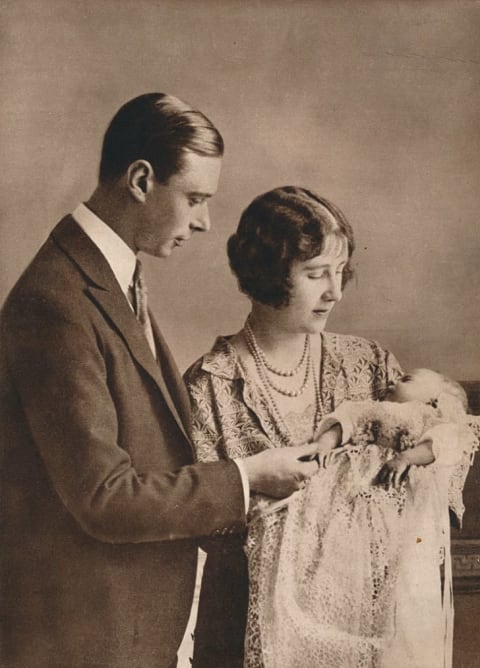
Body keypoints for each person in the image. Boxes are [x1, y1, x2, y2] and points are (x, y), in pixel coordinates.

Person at [0, 95, 319, 668]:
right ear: (142, 179)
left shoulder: (111, 279)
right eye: (195, 198)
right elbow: (104, 498)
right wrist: (247, 478)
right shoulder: (56, 300)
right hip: (84, 640)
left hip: (128, 630)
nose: (205, 221)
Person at [185, 185, 404, 667]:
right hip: (247, 628)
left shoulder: (368, 364)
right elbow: (201, 521)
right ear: (267, 274)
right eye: (315, 274)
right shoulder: (210, 386)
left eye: (340, 272)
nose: (335, 291)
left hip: (363, 627)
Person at [244, 368, 479, 667]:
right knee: (331, 544)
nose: (392, 381)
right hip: (347, 487)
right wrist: (325, 445)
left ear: (435, 399)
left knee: (393, 575)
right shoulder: (375, 408)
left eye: (407, 380)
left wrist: (406, 457)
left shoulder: (433, 419)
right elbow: (347, 421)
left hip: (390, 492)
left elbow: (440, 444)